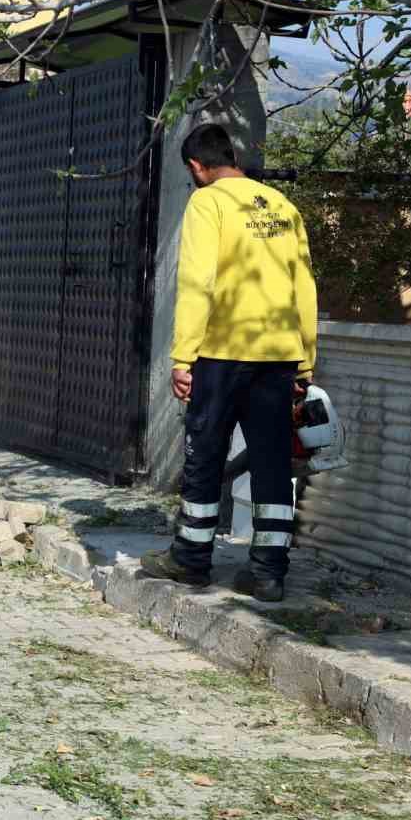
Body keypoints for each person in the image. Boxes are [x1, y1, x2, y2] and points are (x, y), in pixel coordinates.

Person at [140, 123, 318, 602]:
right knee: (273, 460)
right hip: (279, 355)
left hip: (222, 353)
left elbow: (198, 281)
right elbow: (304, 287)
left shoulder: (208, 202)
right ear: (231, 156)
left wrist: (183, 358)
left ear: (198, 166)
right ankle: (268, 573)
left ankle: (191, 561)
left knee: (205, 453)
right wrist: (305, 362)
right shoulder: (283, 206)